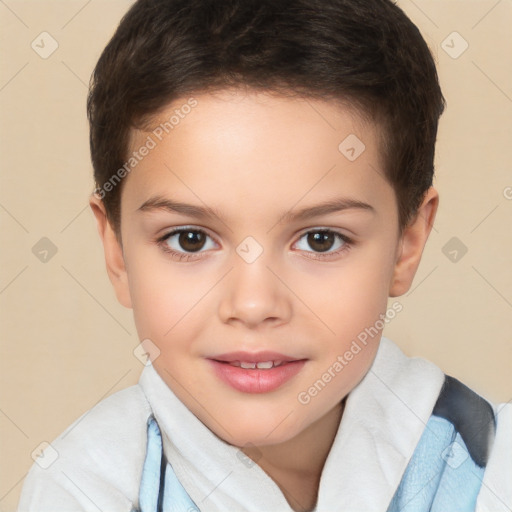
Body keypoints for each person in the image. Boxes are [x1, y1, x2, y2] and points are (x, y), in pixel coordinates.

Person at [17, 0, 511, 511]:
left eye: (321, 239)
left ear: (408, 244)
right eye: (190, 239)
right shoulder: (83, 489)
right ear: (116, 250)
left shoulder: (493, 469)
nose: (253, 305)